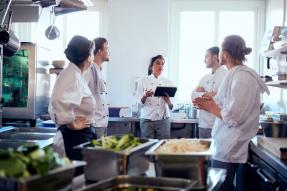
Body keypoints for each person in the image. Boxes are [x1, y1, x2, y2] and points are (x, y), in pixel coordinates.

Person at [193, 35, 269, 191]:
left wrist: (210, 107)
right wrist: (211, 100)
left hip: (230, 145)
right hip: (224, 143)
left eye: (220, 51)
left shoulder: (242, 77)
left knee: (220, 188)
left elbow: (234, 116)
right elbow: (228, 103)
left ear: (225, 54)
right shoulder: (234, 74)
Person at [49, 35, 96, 161]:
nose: (93, 58)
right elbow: (58, 99)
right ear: (86, 57)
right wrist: (72, 124)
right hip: (73, 137)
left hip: (80, 136)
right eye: (92, 54)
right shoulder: (72, 75)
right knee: (76, 178)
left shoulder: (75, 74)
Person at [191, 46, 227, 138]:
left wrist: (203, 95)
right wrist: (207, 94)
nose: (204, 60)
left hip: (218, 124)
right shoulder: (204, 77)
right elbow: (193, 96)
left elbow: (222, 99)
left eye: (206, 57)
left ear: (215, 57)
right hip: (203, 124)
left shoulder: (226, 75)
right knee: (203, 151)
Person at [136, 55, 173, 139]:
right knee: (147, 145)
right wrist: (144, 96)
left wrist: (168, 101)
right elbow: (138, 104)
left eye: (162, 64)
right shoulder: (142, 80)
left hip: (163, 120)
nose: (161, 66)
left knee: (163, 146)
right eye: (158, 63)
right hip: (147, 119)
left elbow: (172, 107)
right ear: (151, 66)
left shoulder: (168, 82)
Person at [84, 37, 110, 138]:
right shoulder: (89, 70)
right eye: (107, 48)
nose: (109, 52)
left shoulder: (99, 70)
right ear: (99, 51)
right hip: (94, 123)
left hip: (102, 123)